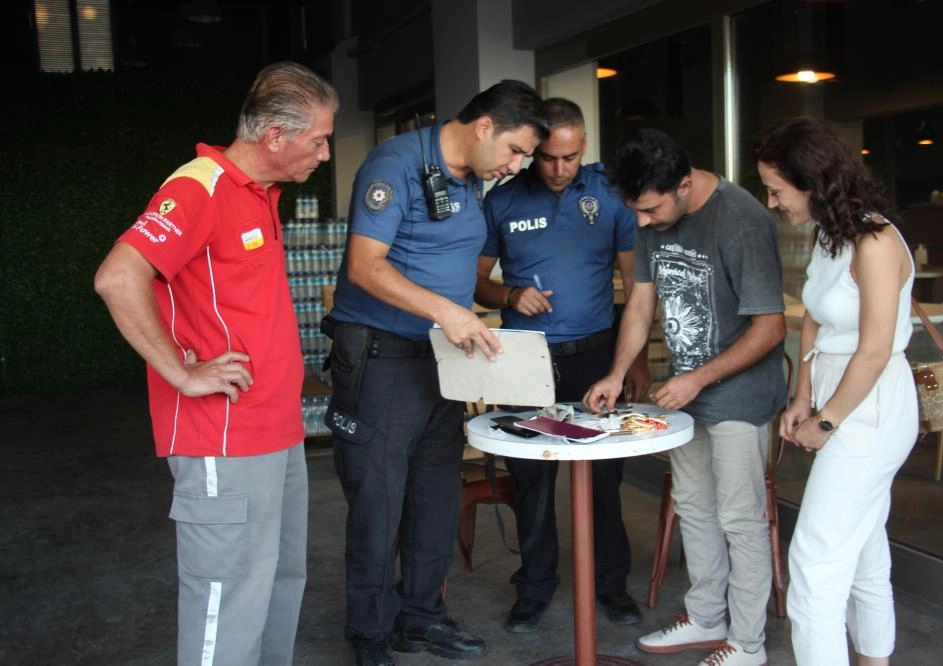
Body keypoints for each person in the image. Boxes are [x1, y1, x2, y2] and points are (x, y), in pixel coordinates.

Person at [93, 62, 338, 665]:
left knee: (280, 581)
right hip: (223, 438)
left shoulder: (258, 194)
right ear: (275, 136)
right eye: (319, 140)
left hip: (276, 429)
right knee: (228, 601)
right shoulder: (199, 187)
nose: (326, 154)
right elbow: (117, 278)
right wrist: (182, 371)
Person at [326, 80, 548, 666]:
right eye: (516, 150)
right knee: (378, 505)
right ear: (484, 127)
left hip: (442, 363)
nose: (517, 166)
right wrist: (447, 311)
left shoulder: (472, 178)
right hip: (382, 361)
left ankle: (421, 618)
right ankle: (370, 635)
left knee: (434, 497)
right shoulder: (394, 165)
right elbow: (365, 267)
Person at [583, 128, 787, 666]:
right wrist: (617, 373)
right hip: (685, 395)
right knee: (694, 507)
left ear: (684, 185)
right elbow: (640, 304)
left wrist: (698, 378)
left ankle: (747, 643)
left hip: (739, 396)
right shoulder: (652, 218)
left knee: (739, 518)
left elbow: (771, 327)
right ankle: (706, 617)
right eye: (635, 211)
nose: (642, 222)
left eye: (650, 209)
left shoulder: (742, 220)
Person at [474, 97, 647, 633]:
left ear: (584, 146)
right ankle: (534, 587)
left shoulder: (610, 195)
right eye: (547, 157)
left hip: (595, 356)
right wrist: (509, 295)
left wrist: (634, 360)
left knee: (604, 479)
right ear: (533, 149)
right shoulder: (503, 199)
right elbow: (475, 281)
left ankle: (611, 585)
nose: (558, 169)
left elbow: (636, 286)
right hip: (526, 360)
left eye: (570, 157)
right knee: (532, 480)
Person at [755, 117, 917, 666]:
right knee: (864, 554)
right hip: (836, 396)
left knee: (813, 566)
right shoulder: (830, 235)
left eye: (777, 190)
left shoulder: (874, 241)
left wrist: (826, 421)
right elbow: (815, 318)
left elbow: (874, 350)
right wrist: (802, 396)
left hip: (870, 407)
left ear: (813, 182)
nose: (773, 202)